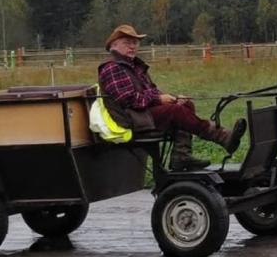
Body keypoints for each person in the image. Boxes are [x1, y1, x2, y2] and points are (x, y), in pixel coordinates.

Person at [98, 24, 246, 170]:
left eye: (135, 42)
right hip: (129, 118)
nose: (132, 46)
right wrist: (159, 99)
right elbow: (128, 100)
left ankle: (181, 156)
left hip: (142, 114)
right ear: (114, 45)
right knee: (175, 111)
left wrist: (173, 98)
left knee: (185, 105)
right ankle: (222, 136)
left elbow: (152, 91)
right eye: (127, 43)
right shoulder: (112, 68)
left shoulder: (135, 67)